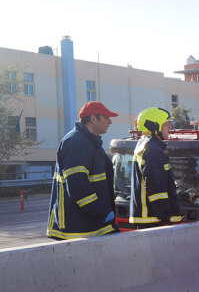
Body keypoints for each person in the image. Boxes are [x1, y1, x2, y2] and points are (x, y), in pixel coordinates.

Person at [48, 101, 120, 240]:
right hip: (77, 228)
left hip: (91, 225)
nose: (110, 121)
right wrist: (102, 212)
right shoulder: (76, 142)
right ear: (93, 119)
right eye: (106, 117)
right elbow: (77, 186)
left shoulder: (90, 142)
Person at [129, 107, 184, 228]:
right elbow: (156, 187)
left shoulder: (144, 145)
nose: (169, 127)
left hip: (148, 218)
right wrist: (166, 215)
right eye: (166, 124)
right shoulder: (153, 151)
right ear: (155, 127)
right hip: (154, 219)